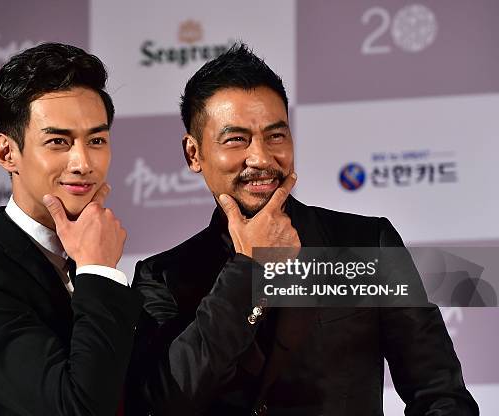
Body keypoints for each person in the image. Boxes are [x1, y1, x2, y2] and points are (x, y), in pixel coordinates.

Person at [126, 43, 478, 415]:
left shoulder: (365, 245)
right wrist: (249, 270)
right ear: (193, 154)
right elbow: (162, 403)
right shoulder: (162, 276)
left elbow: (440, 395)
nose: (261, 158)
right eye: (236, 139)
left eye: (276, 136)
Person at [0, 43, 142, 416]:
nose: (82, 162)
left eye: (97, 140)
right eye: (58, 141)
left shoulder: (83, 259)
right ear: (7, 153)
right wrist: (99, 270)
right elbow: (79, 409)